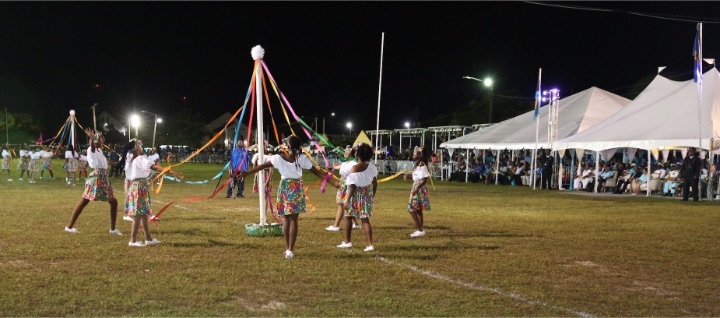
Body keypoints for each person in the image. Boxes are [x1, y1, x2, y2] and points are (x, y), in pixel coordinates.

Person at [239, 135, 335, 259]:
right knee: (294, 219)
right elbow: (317, 172)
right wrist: (332, 182)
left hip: (285, 187)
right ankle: (290, 249)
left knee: (287, 219)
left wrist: (248, 173)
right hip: (297, 187)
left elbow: (263, 166)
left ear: (288, 145)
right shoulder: (302, 159)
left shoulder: (279, 158)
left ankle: (288, 249)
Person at [124, 139, 183, 247]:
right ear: (137, 148)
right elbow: (154, 167)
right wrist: (172, 171)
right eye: (140, 146)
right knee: (138, 214)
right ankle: (132, 241)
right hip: (139, 186)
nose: (142, 148)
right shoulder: (139, 158)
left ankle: (148, 239)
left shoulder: (132, 159)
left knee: (144, 214)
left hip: (138, 186)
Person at [65, 128, 122, 235]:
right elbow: (93, 145)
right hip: (97, 178)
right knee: (84, 202)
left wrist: (115, 163)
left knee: (113, 202)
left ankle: (113, 229)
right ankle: (69, 227)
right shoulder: (92, 149)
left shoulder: (99, 150)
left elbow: (104, 161)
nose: (101, 139)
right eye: (99, 138)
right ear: (92, 141)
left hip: (104, 177)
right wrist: (93, 137)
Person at [337, 143, 378, 251]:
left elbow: (352, 185)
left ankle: (347, 241)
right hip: (366, 195)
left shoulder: (355, 167)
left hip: (355, 195)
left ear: (357, 155)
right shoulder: (372, 167)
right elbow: (375, 182)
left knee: (348, 217)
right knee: (365, 220)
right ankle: (370, 244)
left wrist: (346, 200)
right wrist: (372, 194)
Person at [326, 145, 361, 232]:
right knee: (344, 205)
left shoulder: (354, 163)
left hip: (348, 185)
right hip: (343, 185)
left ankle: (336, 225)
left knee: (341, 205)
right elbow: (342, 170)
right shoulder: (346, 163)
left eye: (347, 152)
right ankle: (356, 224)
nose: (345, 153)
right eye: (344, 151)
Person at [408, 146, 431, 238]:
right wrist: (408, 176)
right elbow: (417, 176)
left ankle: (420, 230)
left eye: (414, 153)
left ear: (419, 154)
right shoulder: (417, 164)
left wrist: (418, 188)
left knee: (411, 208)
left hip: (419, 188)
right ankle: (420, 229)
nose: (413, 155)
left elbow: (425, 179)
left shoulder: (421, 164)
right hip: (417, 186)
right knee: (418, 210)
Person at [251, 146, 276, 221]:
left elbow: (271, 169)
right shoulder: (256, 156)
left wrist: (267, 181)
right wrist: (256, 160)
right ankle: (262, 212)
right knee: (261, 195)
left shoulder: (269, 157)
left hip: (266, 176)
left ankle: (264, 213)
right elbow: (254, 168)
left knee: (265, 195)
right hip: (259, 176)